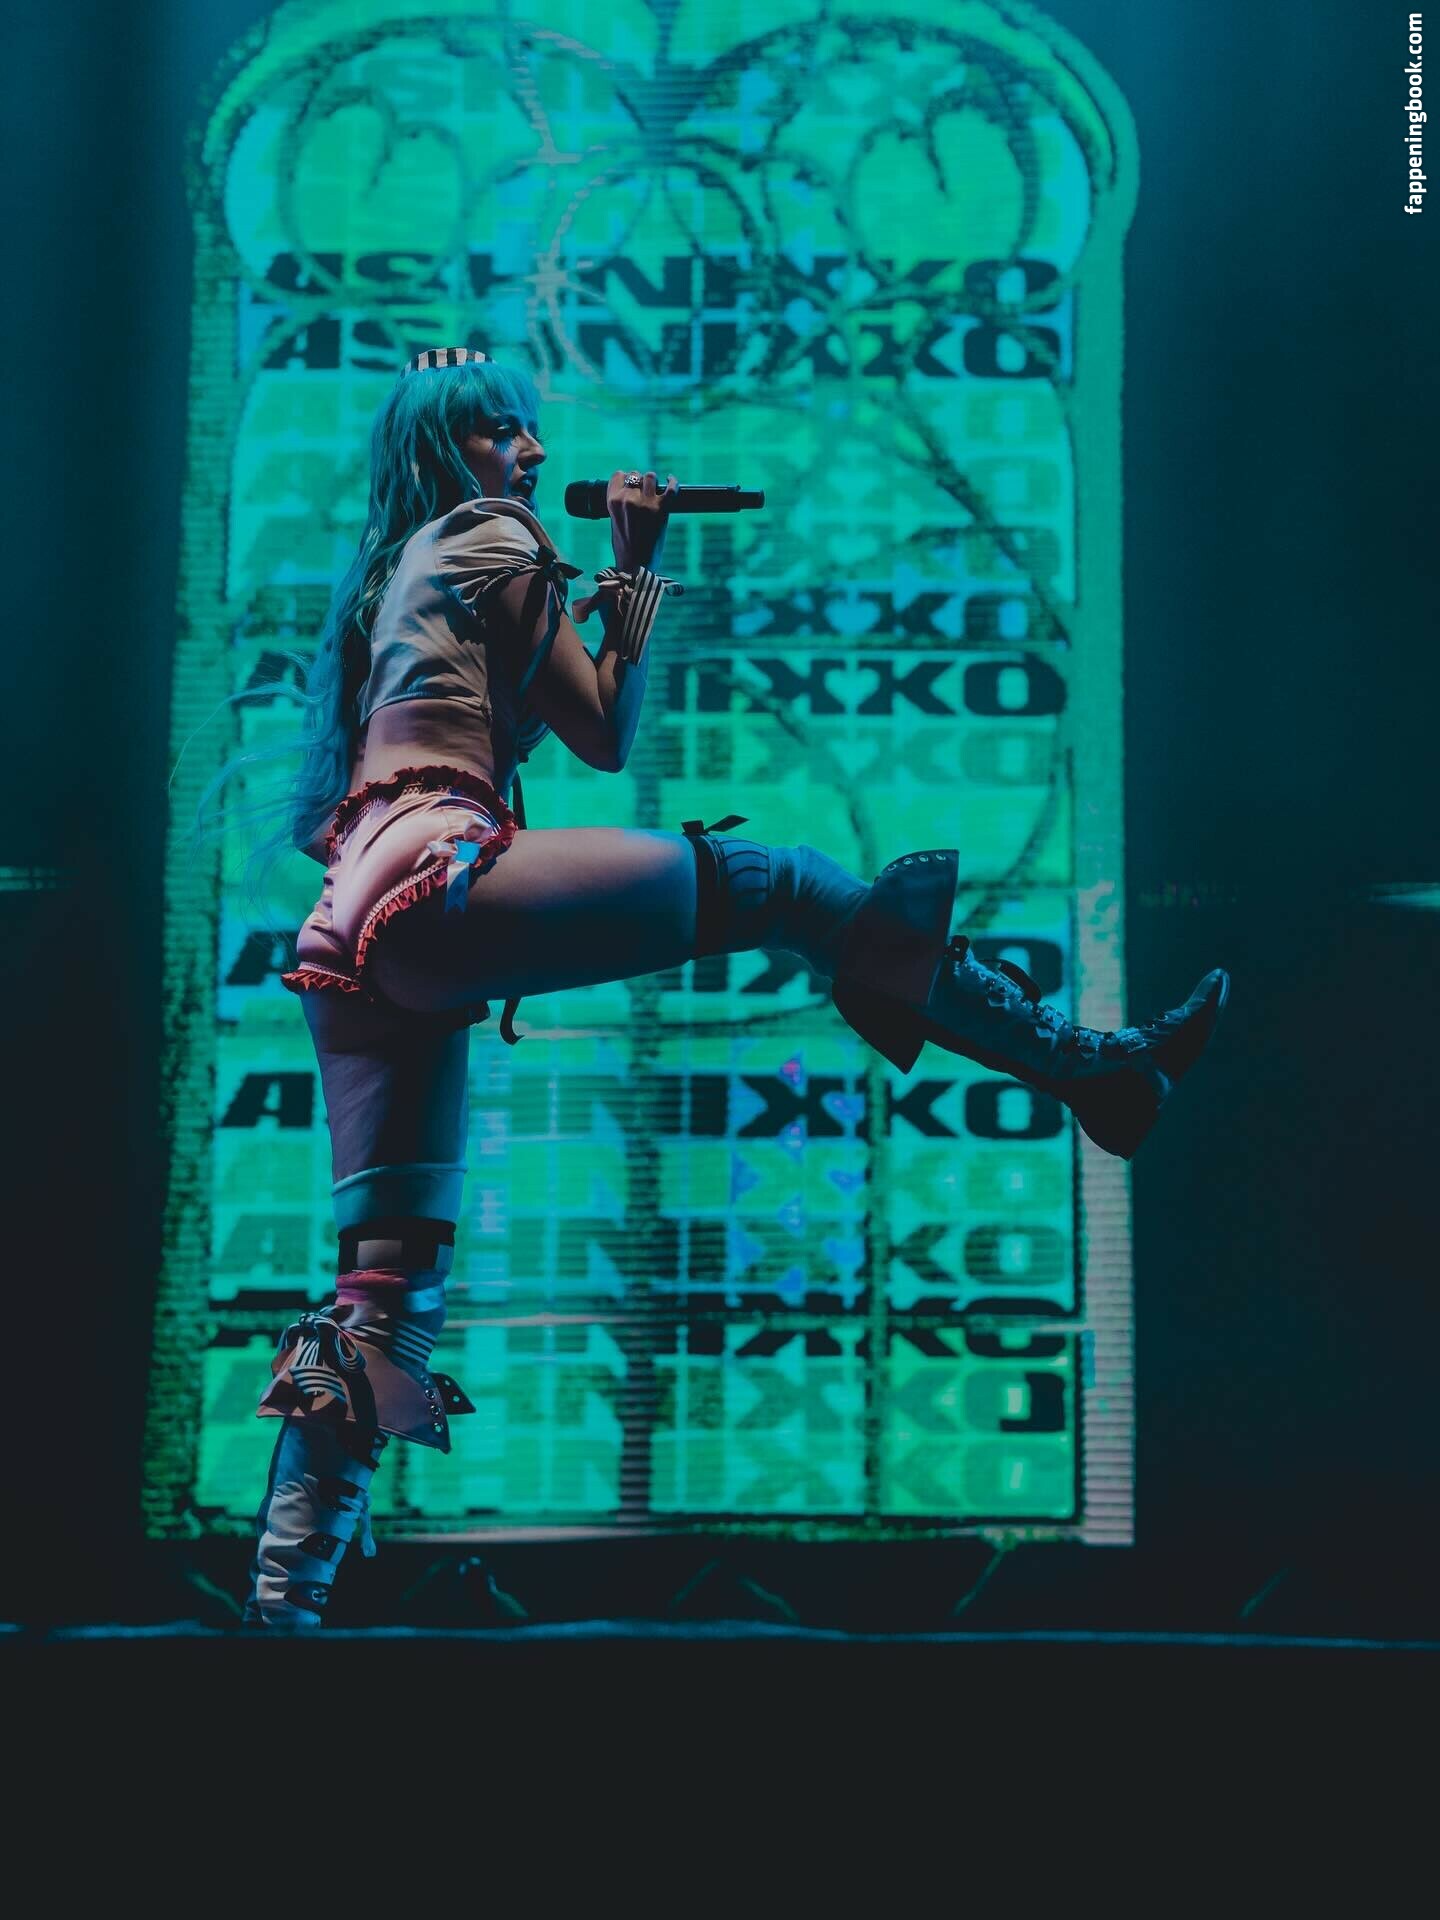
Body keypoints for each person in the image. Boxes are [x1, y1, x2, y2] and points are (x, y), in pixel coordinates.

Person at [211, 347, 1229, 1630]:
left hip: (353, 921)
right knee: (782, 882)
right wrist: (634, 564)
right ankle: (1084, 1068)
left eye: (530, 429)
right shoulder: (489, 533)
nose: (533, 452)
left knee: (384, 1292)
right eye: (502, 430)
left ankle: (280, 1618)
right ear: (443, 448)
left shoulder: (397, 571)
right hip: (434, 870)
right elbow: (604, 729)